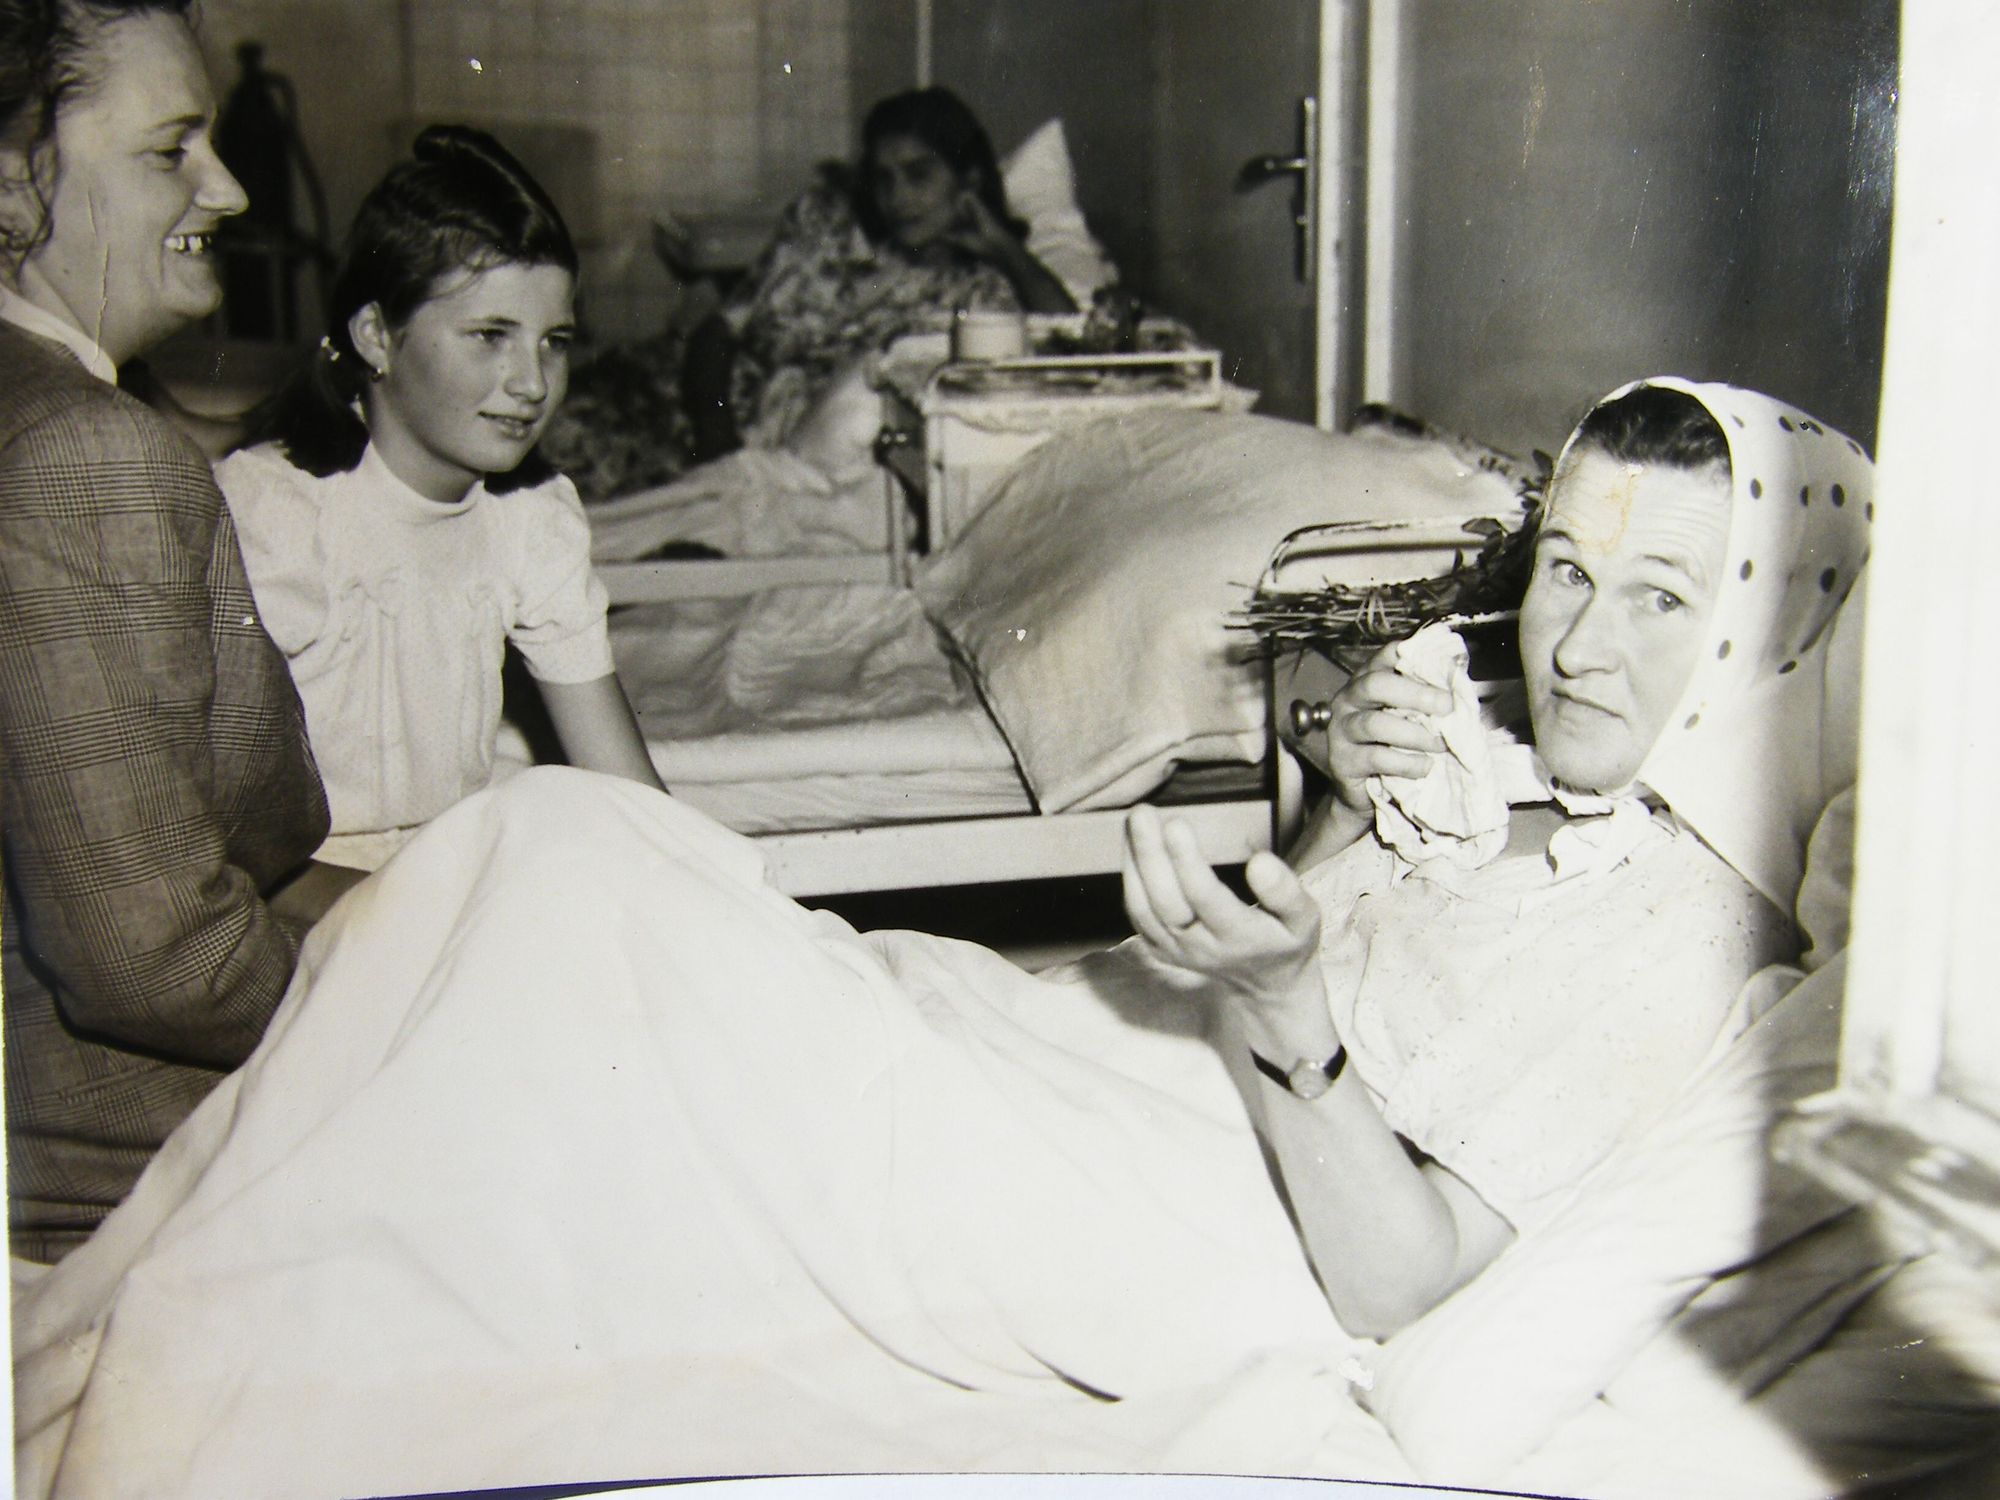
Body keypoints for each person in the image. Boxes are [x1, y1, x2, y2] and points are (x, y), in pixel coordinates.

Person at [14, 379, 1874, 1496]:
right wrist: (1342, 801)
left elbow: (1399, 1280)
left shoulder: (1688, 937)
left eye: (1660, 598)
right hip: (1101, 1058)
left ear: (1770, 624)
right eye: (1567, 572)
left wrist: (1282, 1001)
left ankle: (184, 1395)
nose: (1577, 645)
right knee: (556, 862)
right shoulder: (1507, 764)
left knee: (568, 902)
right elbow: (1322, 925)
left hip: (1192, 1208)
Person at [0, 0, 333, 1263]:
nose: (230, 189)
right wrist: (424, 1002)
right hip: (129, 1157)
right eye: (169, 149)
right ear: (12, 178)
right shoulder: (82, 453)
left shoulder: (61, 406)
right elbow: (155, 960)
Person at [217, 126, 668, 872]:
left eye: (554, 341)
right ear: (375, 336)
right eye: (490, 335)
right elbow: (214, 837)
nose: (532, 382)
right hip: (297, 898)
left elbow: (634, 799)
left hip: (447, 880)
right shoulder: (278, 515)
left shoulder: (531, 518)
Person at [541, 86, 1085, 502]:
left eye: (918, 174)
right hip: (690, 399)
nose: (898, 197)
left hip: (760, 452)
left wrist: (1001, 245)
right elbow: (716, 333)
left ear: (969, 179)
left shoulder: (982, 291)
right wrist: (714, 439)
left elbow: (1076, 341)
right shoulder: (826, 225)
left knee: (550, 478)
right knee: (537, 427)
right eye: (884, 178)